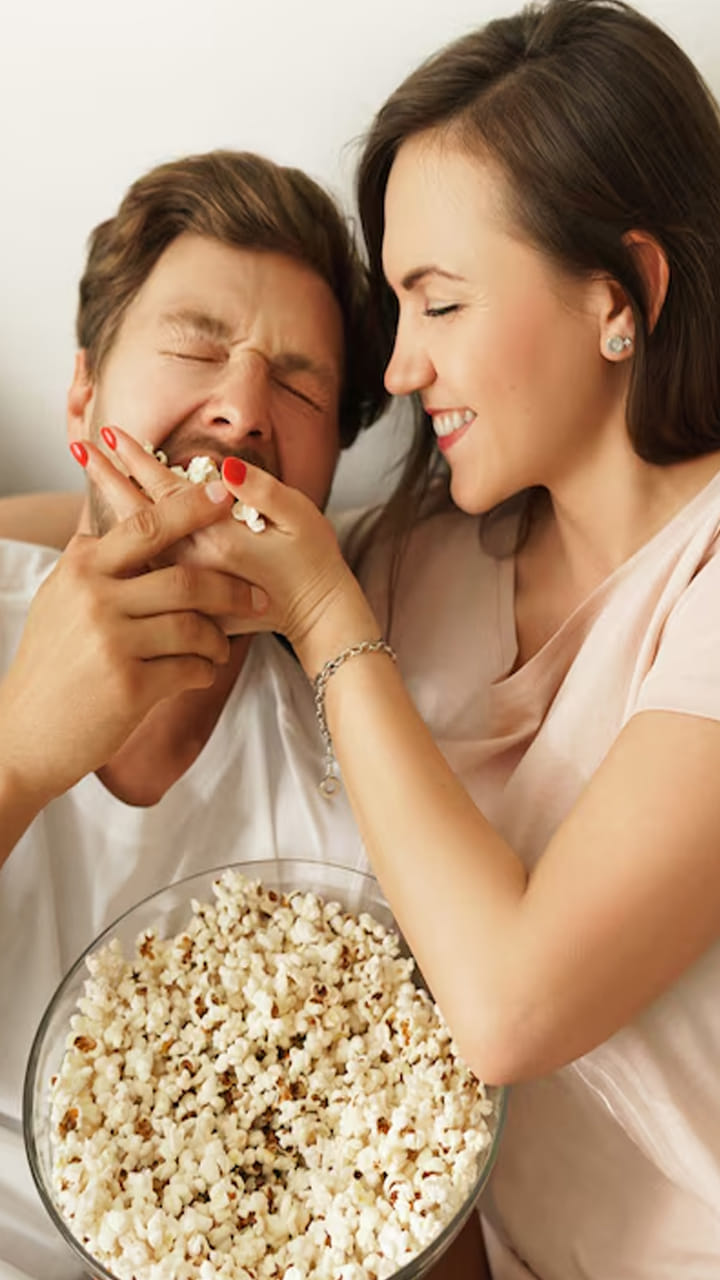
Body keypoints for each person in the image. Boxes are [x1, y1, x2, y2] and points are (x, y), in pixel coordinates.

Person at [97, 3, 720, 1276]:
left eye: (439, 304)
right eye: (398, 309)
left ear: (623, 294)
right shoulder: (428, 560)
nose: (399, 370)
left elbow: (508, 1010)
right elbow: (202, 504)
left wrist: (329, 618)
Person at [0, 148, 393, 1279]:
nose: (243, 409)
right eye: (197, 344)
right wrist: (22, 755)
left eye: (301, 387)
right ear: (83, 393)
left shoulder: (359, 734)